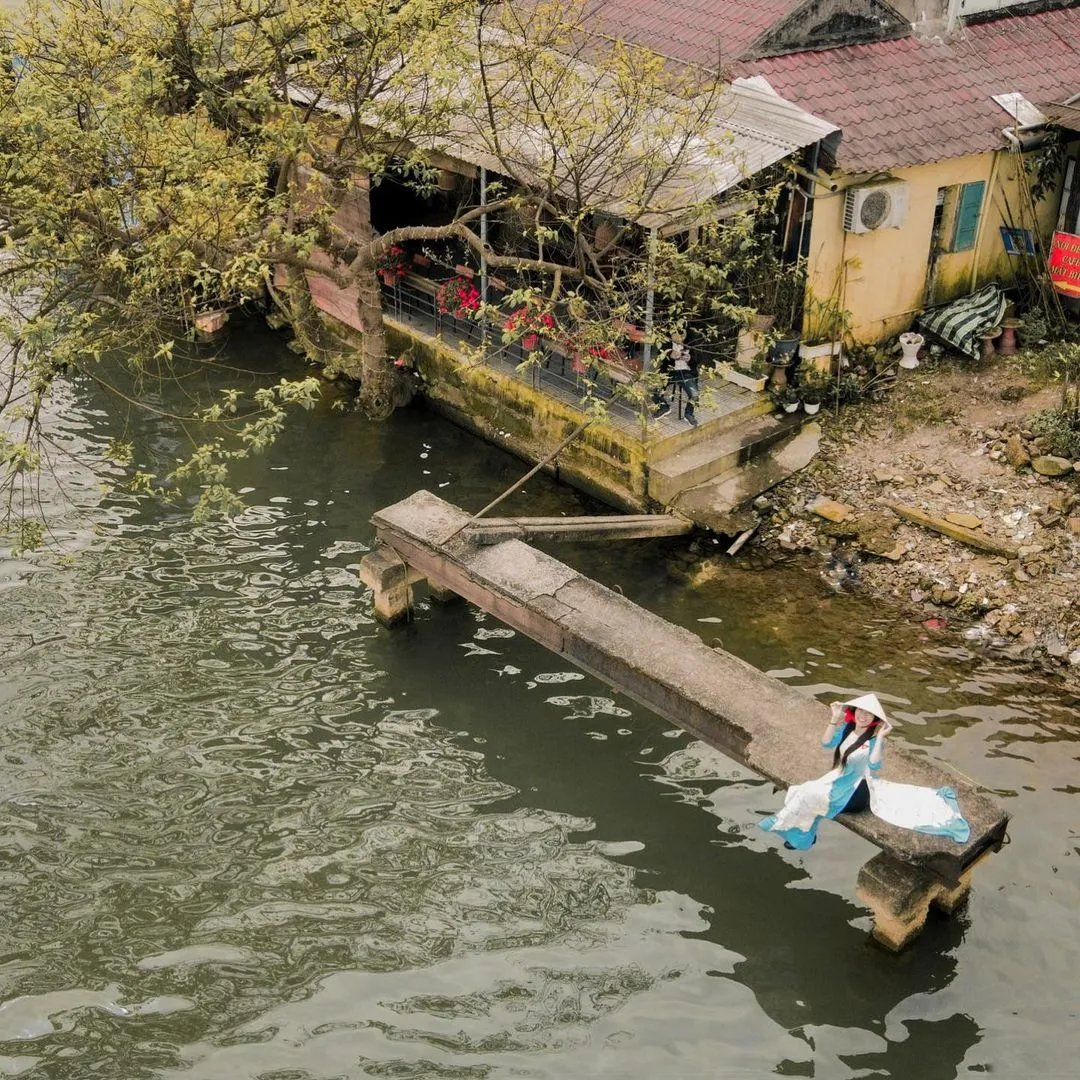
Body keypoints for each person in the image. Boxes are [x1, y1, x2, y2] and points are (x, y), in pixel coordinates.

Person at [758, 693, 971, 851]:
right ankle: (803, 836)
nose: (863, 716)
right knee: (802, 790)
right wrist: (834, 717)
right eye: (861, 711)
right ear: (854, 712)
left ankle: (790, 828)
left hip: (858, 792)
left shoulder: (871, 741)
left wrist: (880, 738)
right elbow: (825, 743)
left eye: (869, 714)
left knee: (808, 794)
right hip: (840, 780)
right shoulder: (847, 730)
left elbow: (875, 766)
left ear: (874, 720)